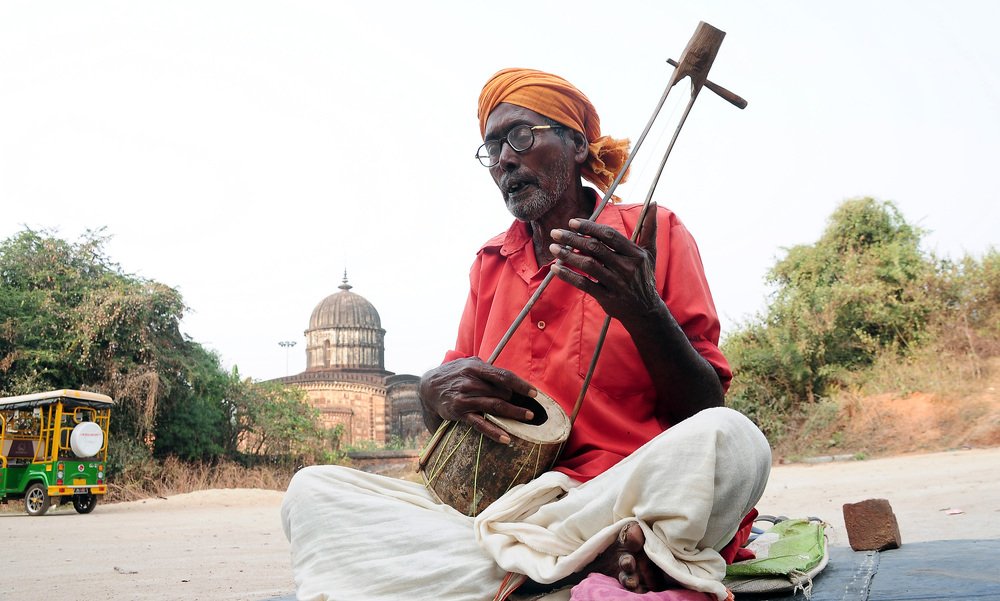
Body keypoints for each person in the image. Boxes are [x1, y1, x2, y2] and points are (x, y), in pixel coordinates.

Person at [281, 68, 771, 601]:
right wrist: (431, 392)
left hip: (622, 494)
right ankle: (583, 566)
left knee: (733, 439)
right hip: (515, 507)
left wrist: (643, 309)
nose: (505, 159)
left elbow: (702, 405)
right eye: (492, 148)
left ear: (577, 144)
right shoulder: (490, 264)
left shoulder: (654, 231)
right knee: (313, 493)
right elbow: (451, 411)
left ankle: (529, 569)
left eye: (520, 136)